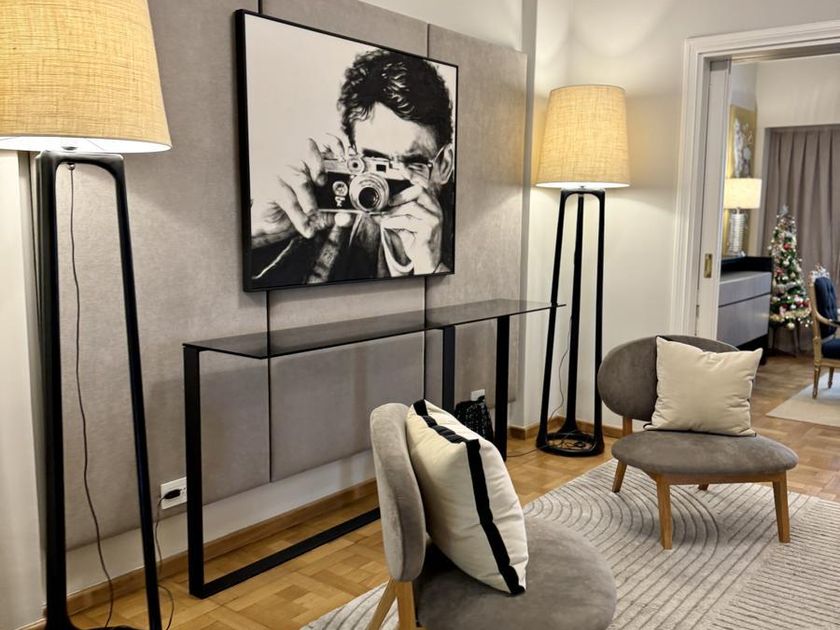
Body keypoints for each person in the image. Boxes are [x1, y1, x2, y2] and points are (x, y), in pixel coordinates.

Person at [250, 49, 455, 287]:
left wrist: (432, 268)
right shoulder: (330, 222)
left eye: (413, 163)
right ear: (351, 158)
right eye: (373, 162)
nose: (388, 184)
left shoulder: (472, 237)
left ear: (444, 164)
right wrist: (259, 232)